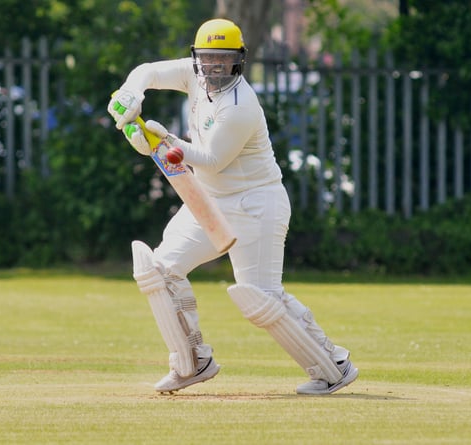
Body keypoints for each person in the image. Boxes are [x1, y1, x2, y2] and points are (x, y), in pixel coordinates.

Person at [107, 18, 358, 395]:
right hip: (209, 200)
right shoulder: (193, 74)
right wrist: (131, 92)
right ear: (198, 57)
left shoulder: (241, 105)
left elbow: (211, 158)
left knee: (260, 297)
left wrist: (163, 140)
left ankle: (334, 364)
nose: (213, 67)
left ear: (238, 60)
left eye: (222, 60)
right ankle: (192, 362)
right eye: (207, 59)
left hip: (257, 202)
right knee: (161, 271)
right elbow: (148, 70)